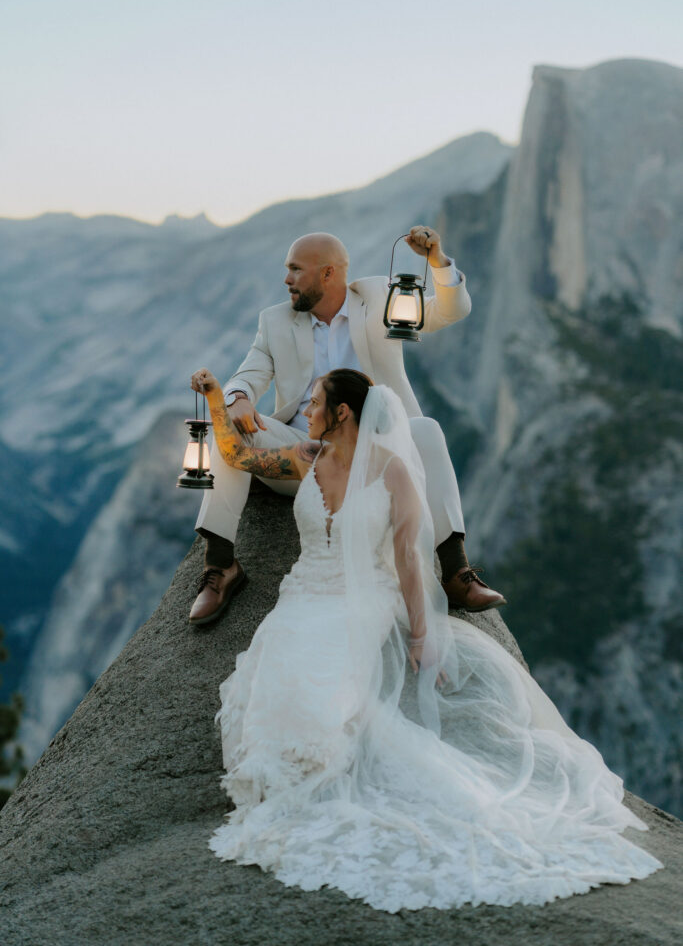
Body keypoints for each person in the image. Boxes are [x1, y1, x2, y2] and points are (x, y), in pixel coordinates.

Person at [191, 365, 661, 912]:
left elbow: (409, 566)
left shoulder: (394, 475)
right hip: (302, 596)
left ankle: (322, 763)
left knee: (328, 691)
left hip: (362, 602)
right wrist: (217, 399)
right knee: (281, 675)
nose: (305, 413)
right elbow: (236, 456)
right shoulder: (305, 458)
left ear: (342, 413)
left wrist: (421, 636)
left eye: (315, 403)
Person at [189, 226, 506, 625]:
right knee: (229, 430)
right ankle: (221, 568)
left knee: (426, 428)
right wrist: (237, 397)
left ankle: (456, 572)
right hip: (304, 454)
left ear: (328, 274)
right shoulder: (274, 321)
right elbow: (247, 373)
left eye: (295, 270)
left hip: (377, 453)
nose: (286, 280)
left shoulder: (378, 299)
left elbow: (450, 311)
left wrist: (436, 261)